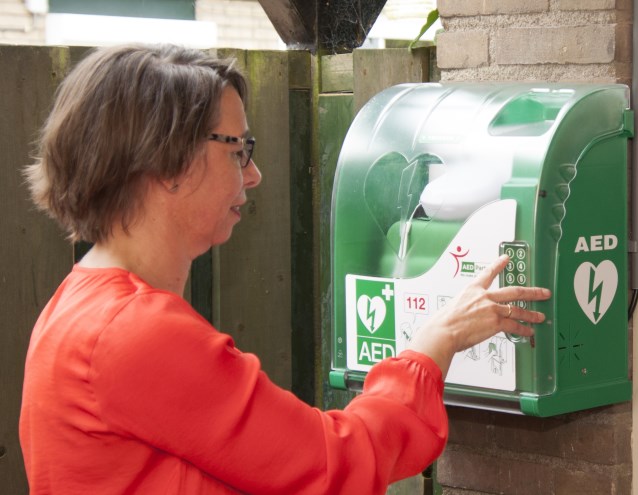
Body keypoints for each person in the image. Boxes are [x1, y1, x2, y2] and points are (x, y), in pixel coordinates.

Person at [18, 44, 551, 494]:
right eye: (237, 150)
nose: (254, 175)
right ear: (167, 162)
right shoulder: (136, 334)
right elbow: (337, 465)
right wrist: (432, 347)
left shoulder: (78, 307)